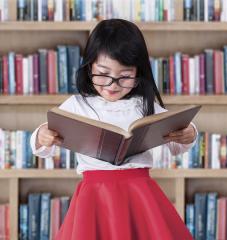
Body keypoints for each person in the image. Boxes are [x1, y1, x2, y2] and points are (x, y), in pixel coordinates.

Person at [30, 19, 197, 240]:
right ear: (89, 66)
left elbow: (176, 144)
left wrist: (189, 132)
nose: (112, 84)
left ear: (139, 72)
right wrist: (42, 135)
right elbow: (43, 145)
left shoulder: (144, 105)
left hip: (139, 193)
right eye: (103, 73)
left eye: (125, 76)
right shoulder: (77, 104)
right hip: (94, 196)